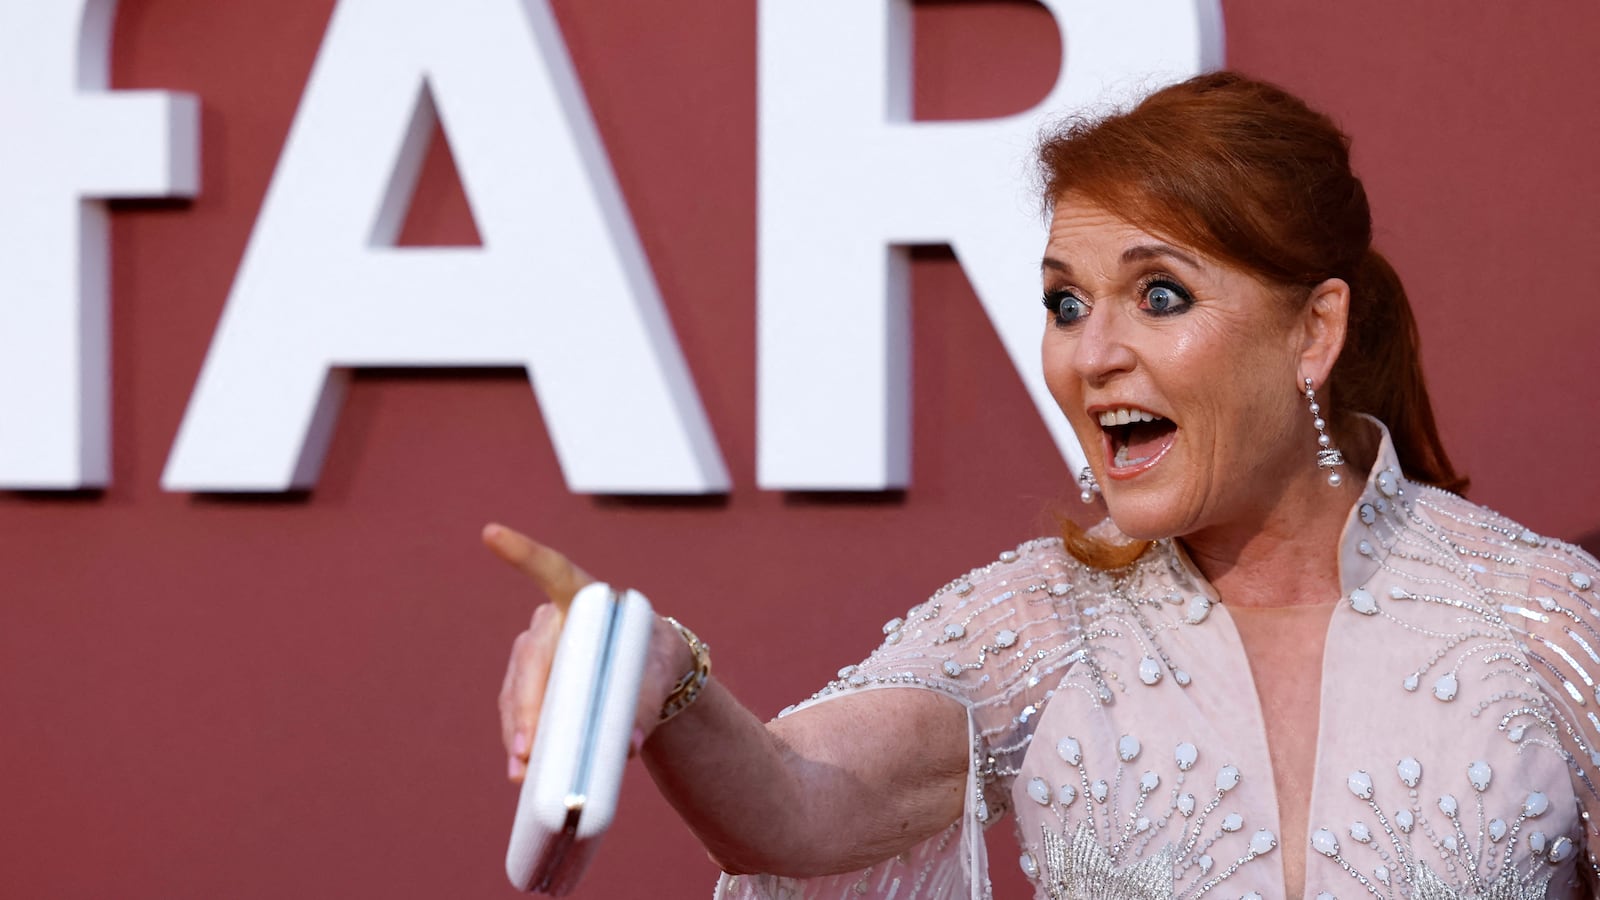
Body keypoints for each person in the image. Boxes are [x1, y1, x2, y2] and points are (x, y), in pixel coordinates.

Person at [489, 71, 1600, 899]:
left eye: (1157, 296)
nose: (1090, 353)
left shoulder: (1548, 622)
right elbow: (794, 806)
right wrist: (662, 666)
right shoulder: (1039, 627)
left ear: (1312, 331)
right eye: (1066, 303)